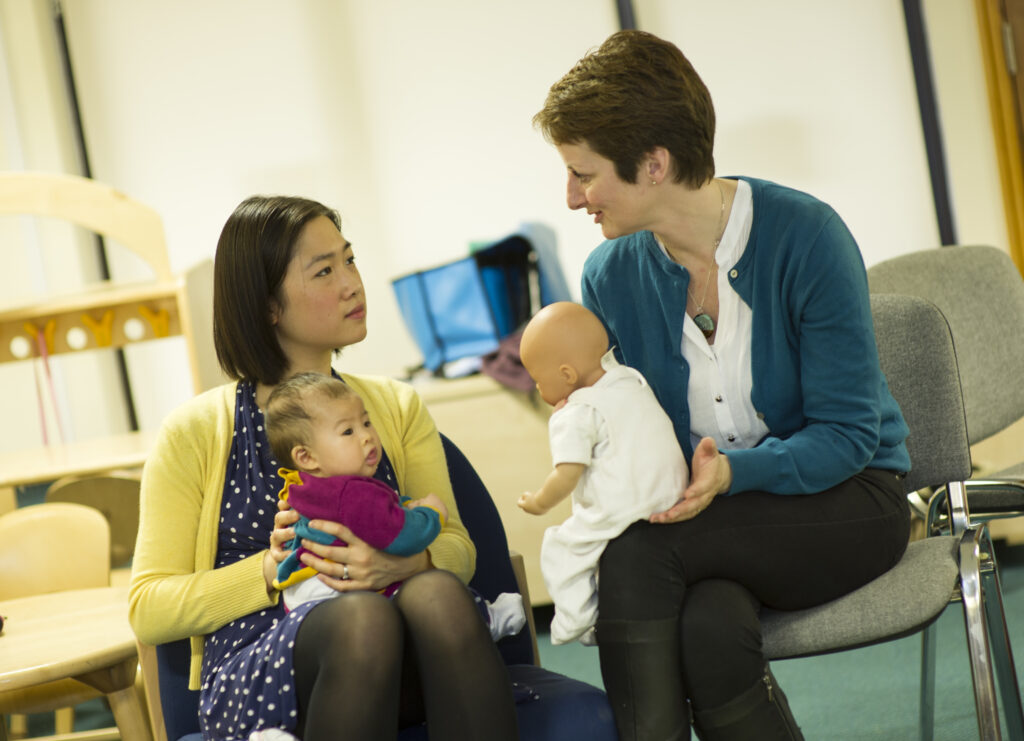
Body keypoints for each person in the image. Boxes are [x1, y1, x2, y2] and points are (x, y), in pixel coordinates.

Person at [533, 30, 911, 741]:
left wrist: (735, 471)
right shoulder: (609, 275)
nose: (572, 195)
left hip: (851, 500)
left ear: (654, 164)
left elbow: (849, 435)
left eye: (584, 173)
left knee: (637, 555)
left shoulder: (806, 236)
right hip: (710, 524)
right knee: (710, 626)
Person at [129, 195, 519, 741]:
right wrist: (271, 569)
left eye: (350, 260)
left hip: (410, 647)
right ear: (268, 306)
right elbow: (148, 607)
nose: (352, 283)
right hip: (268, 673)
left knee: (436, 592)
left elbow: (457, 544)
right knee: (363, 620)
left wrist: (403, 565)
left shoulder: (396, 406)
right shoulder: (193, 433)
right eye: (325, 270)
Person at [266, 371, 527, 642]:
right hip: (339, 596)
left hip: (303, 599)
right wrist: (430, 513)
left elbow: (370, 511)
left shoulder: (304, 487)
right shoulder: (351, 492)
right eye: (348, 431)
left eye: (367, 422)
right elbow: (401, 536)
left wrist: (401, 505)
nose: (367, 436)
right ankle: (488, 618)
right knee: (432, 592)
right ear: (306, 456)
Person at [516, 301, 687, 647]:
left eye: (537, 380)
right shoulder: (630, 379)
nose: (537, 388)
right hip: (672, 493)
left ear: (566, 376)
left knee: (562, 547)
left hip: (626, 507)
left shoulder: (576, 413)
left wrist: (538, 501)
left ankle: (576, 619)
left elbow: (567, 474)